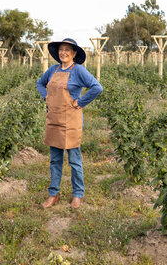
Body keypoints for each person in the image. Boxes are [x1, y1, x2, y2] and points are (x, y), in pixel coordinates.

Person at [36, 38, 103, 209]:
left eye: (67, 50)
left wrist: (80, 102)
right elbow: (40, 83)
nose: (63, 52)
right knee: (55, 160)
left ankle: (78, 194)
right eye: (61, 49)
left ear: (73, 54)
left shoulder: (79, 70)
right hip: (54, 120)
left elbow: (97, 87)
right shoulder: (52, 70)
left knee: (74, 160)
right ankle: (53, 194)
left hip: (71, 121)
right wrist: (46, 96)